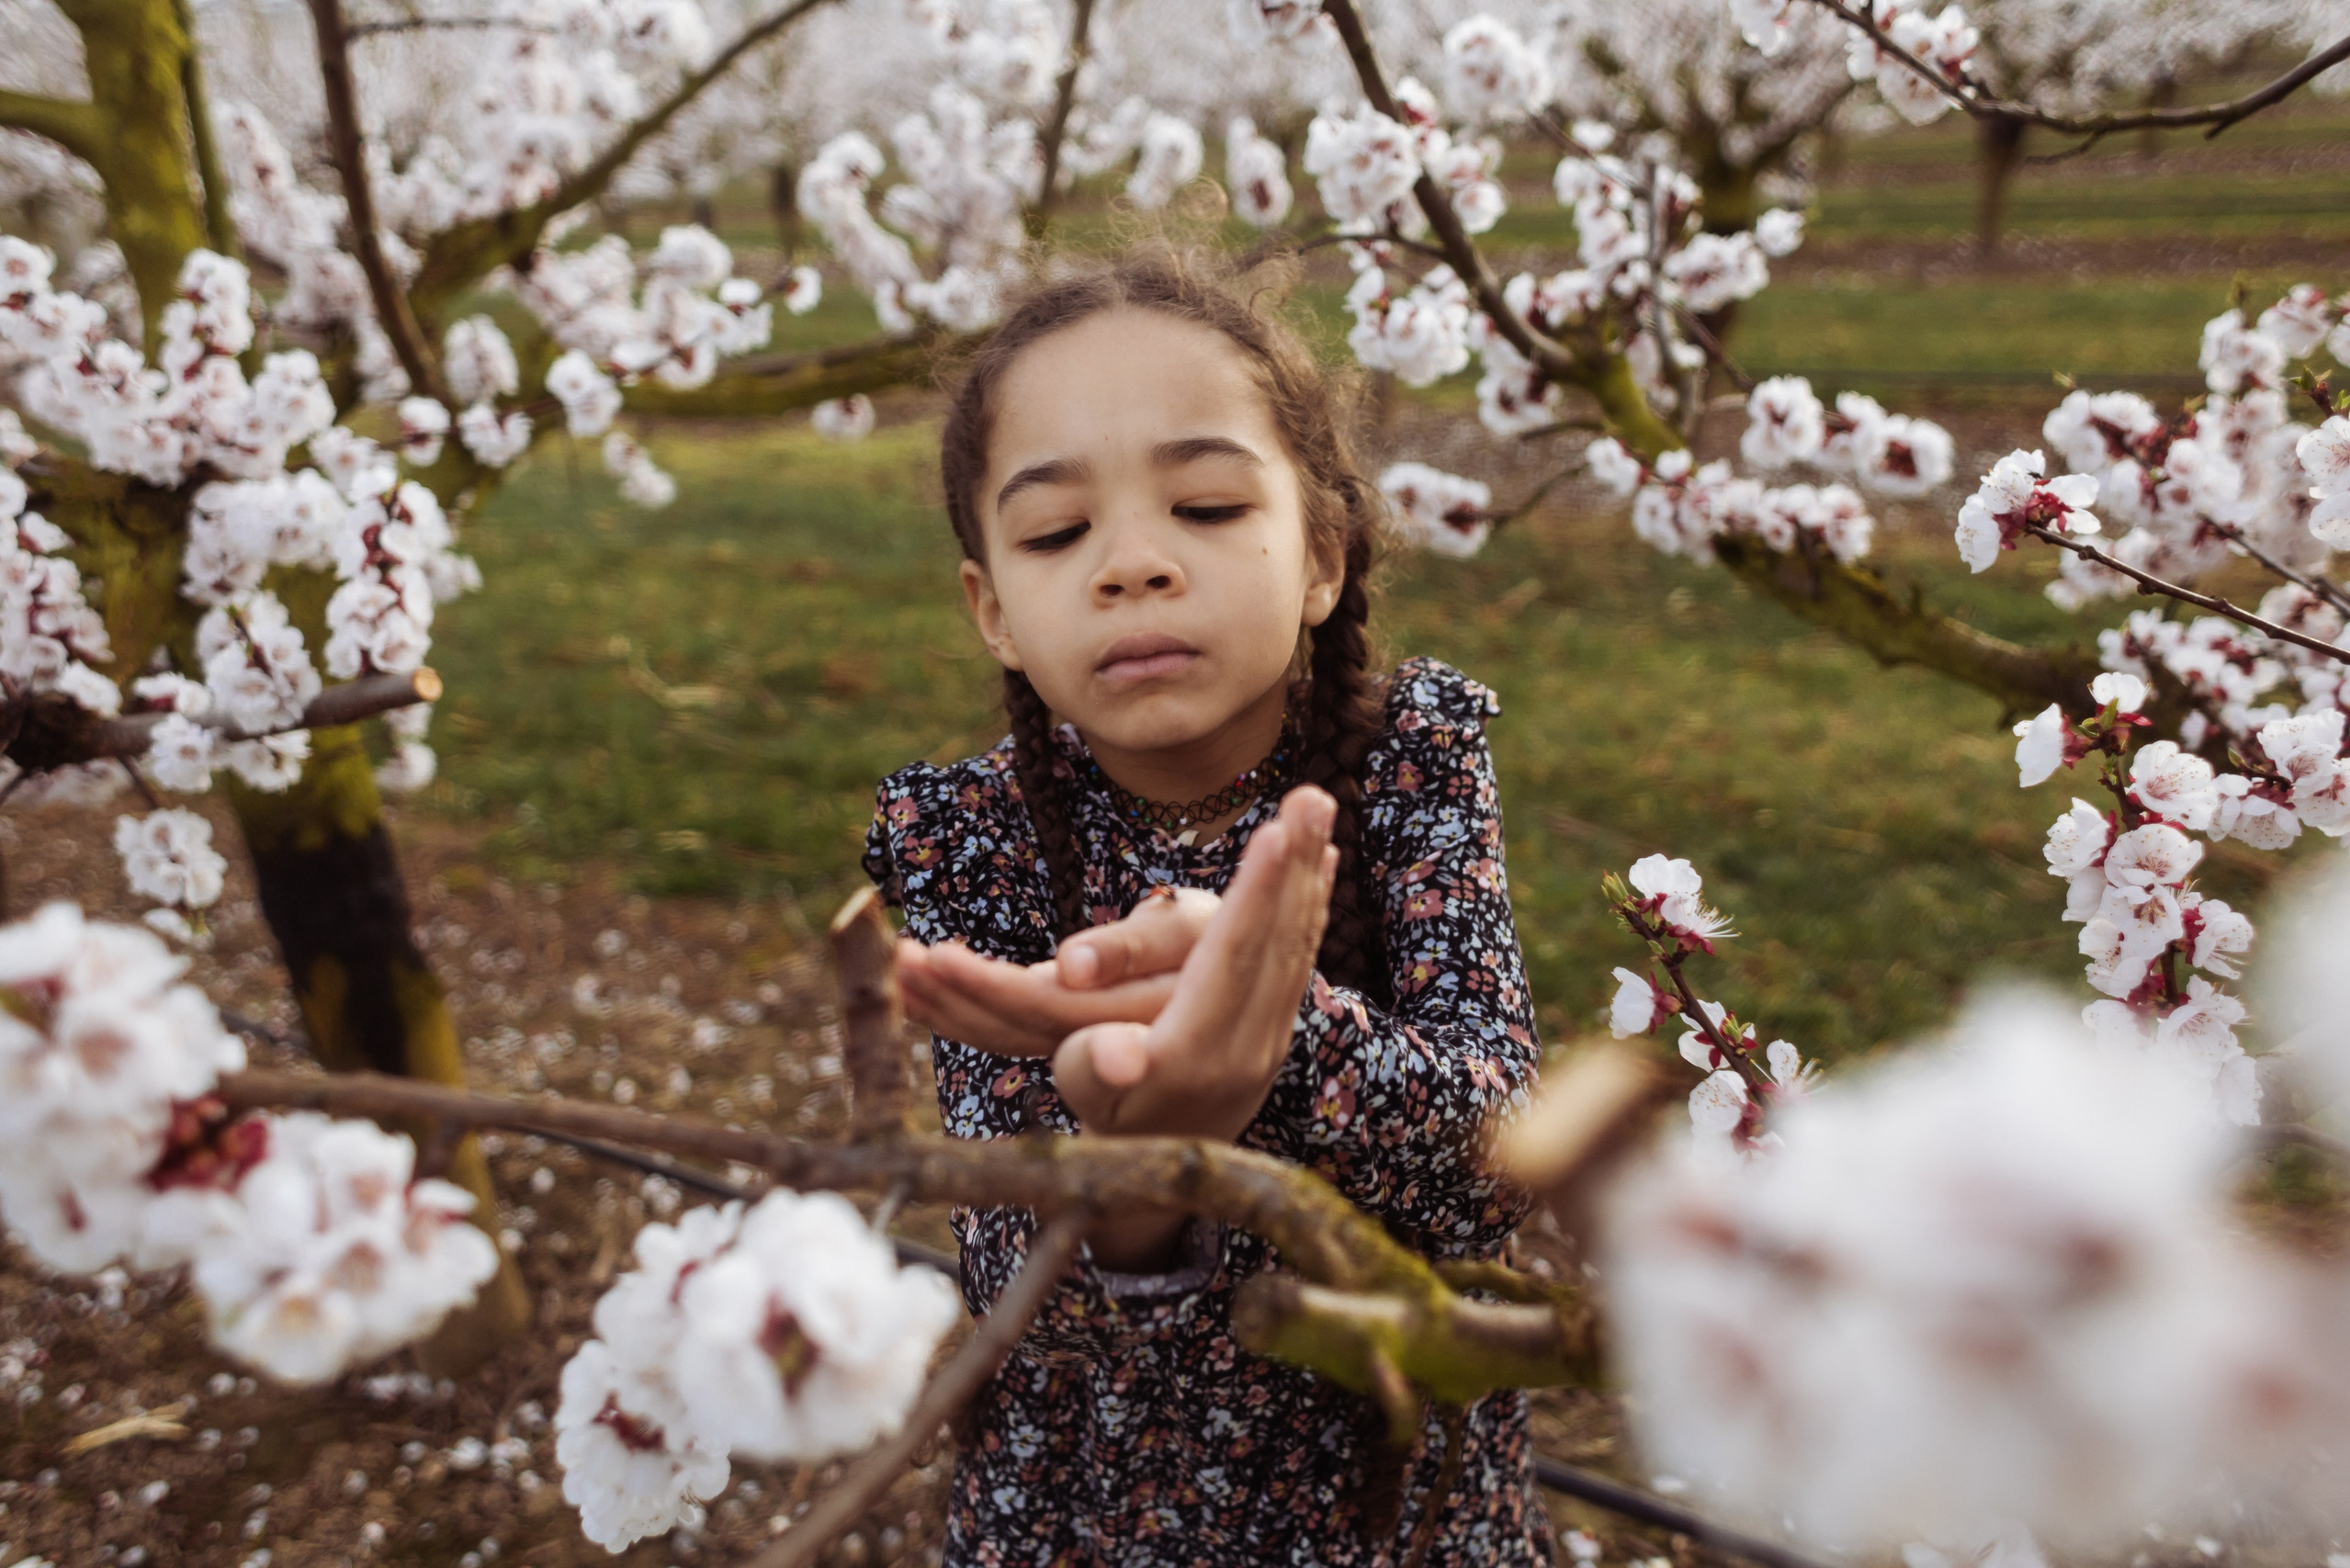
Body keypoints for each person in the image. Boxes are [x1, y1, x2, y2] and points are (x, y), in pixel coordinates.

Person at [862, 251, 1548, 1566]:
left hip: (1392, 1507)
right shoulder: (966, 837)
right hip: (1090, 1517)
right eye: (1056, 533)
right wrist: (1147, 1162)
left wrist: (1276, 1034)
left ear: (1322, 555)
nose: (1132, 565)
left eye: (1207, 506)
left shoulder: (1409, 759)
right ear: (992, 609)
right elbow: (1025, 1299)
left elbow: (1499, 1161)